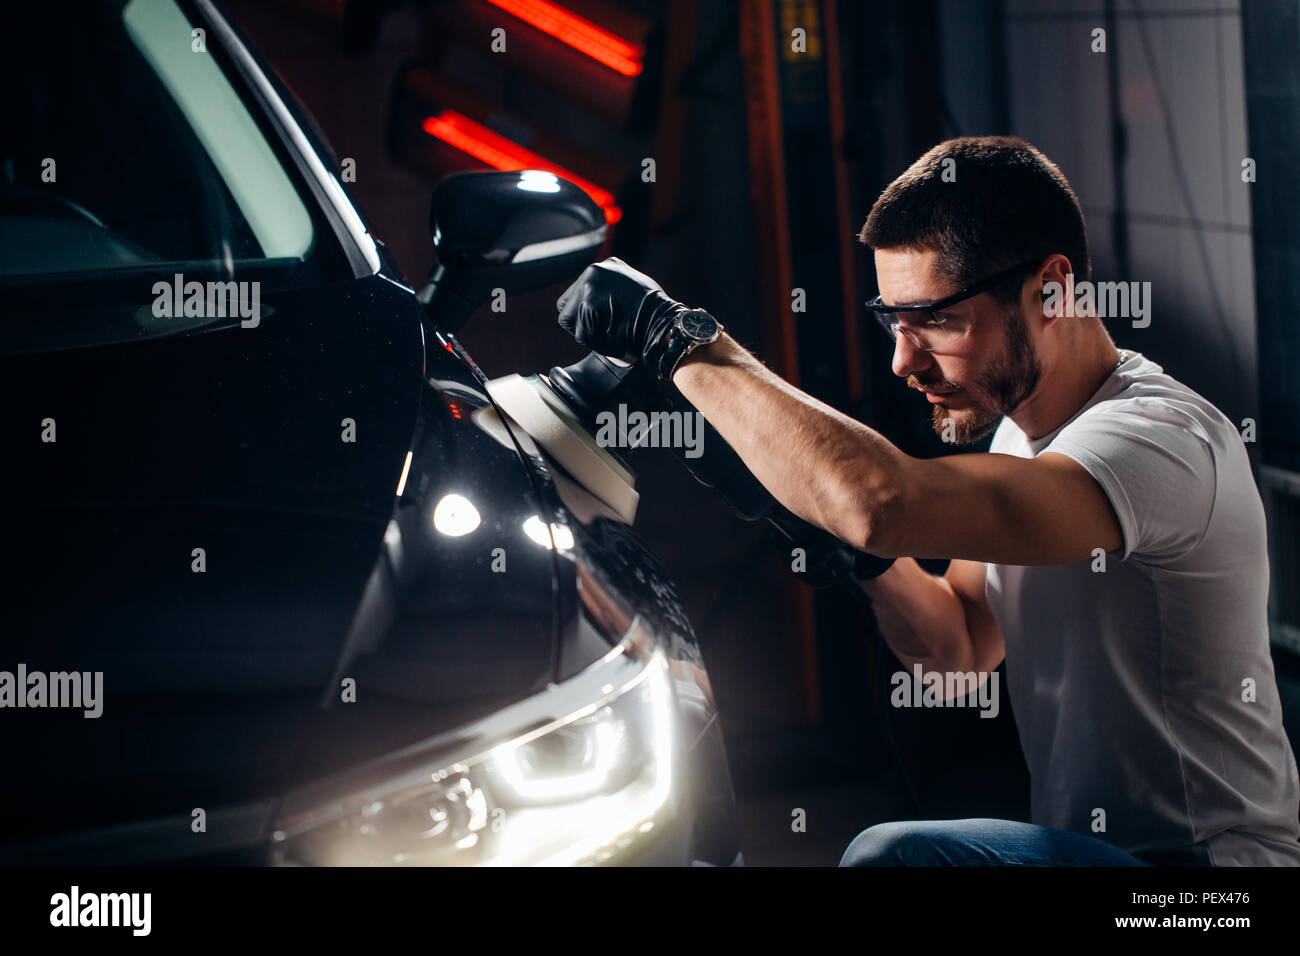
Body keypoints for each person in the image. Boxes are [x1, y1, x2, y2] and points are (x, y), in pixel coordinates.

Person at [554, 136, 1300, 866]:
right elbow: (959, 650)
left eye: (936, 320)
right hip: (1100, 856)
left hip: (1205, 884)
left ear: (1052, 288)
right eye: (893, 321)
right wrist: (840, 544)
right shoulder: (1020, 435)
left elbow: (885, 501)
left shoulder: (1157, 440)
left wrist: (677, 338)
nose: (904, 361)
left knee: (898, 858)